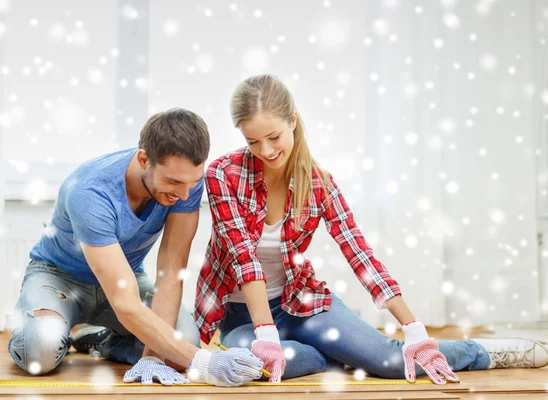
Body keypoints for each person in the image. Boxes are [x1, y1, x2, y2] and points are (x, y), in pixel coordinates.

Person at [194, 75, 548, 383]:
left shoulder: (320, 184)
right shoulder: (223, 175)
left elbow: (360, 255)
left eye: (273, 137)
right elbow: (244, 259)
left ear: (293, 121)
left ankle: (482, 352)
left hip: (300, 304)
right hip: (242, 315)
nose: (265, 151)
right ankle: (333, 356)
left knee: (393, 361)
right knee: (250, 363)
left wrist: (414, 329)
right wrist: (266, 332)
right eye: (253, 141)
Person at [8, 108, 263, 387]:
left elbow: (170, 271)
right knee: (41, 353)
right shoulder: (89, 191)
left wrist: (155, 357)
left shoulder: (186, 183)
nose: (184, 195)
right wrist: (205, 362)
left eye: (191, 182)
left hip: (125, 277)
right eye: (173, 182)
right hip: (59, 279)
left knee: (182, 346)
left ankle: (99, 340)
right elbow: (125, 301)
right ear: (144, 159)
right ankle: (44, 326)